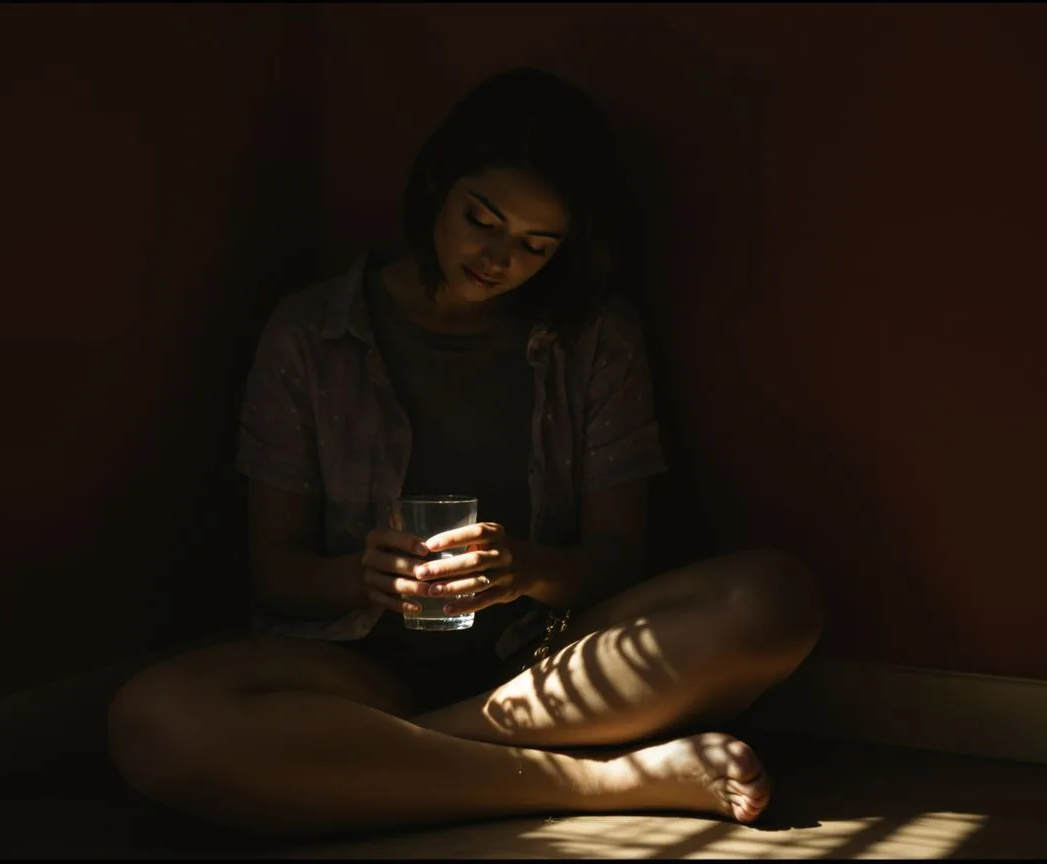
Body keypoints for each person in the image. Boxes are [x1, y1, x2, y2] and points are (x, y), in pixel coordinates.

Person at [107, 67, 821, 840]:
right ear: (436, 187)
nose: (498, 257)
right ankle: (606, 781)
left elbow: (617, 557)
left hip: (542, 665)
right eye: (482, 219)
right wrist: (361, 577)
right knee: (153, 721)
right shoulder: (310, 334)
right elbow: (273, 571)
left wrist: (529, 569)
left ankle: (390, 753)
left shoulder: (595, 338)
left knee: (775, 599)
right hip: (354, 666)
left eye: (536, 245)